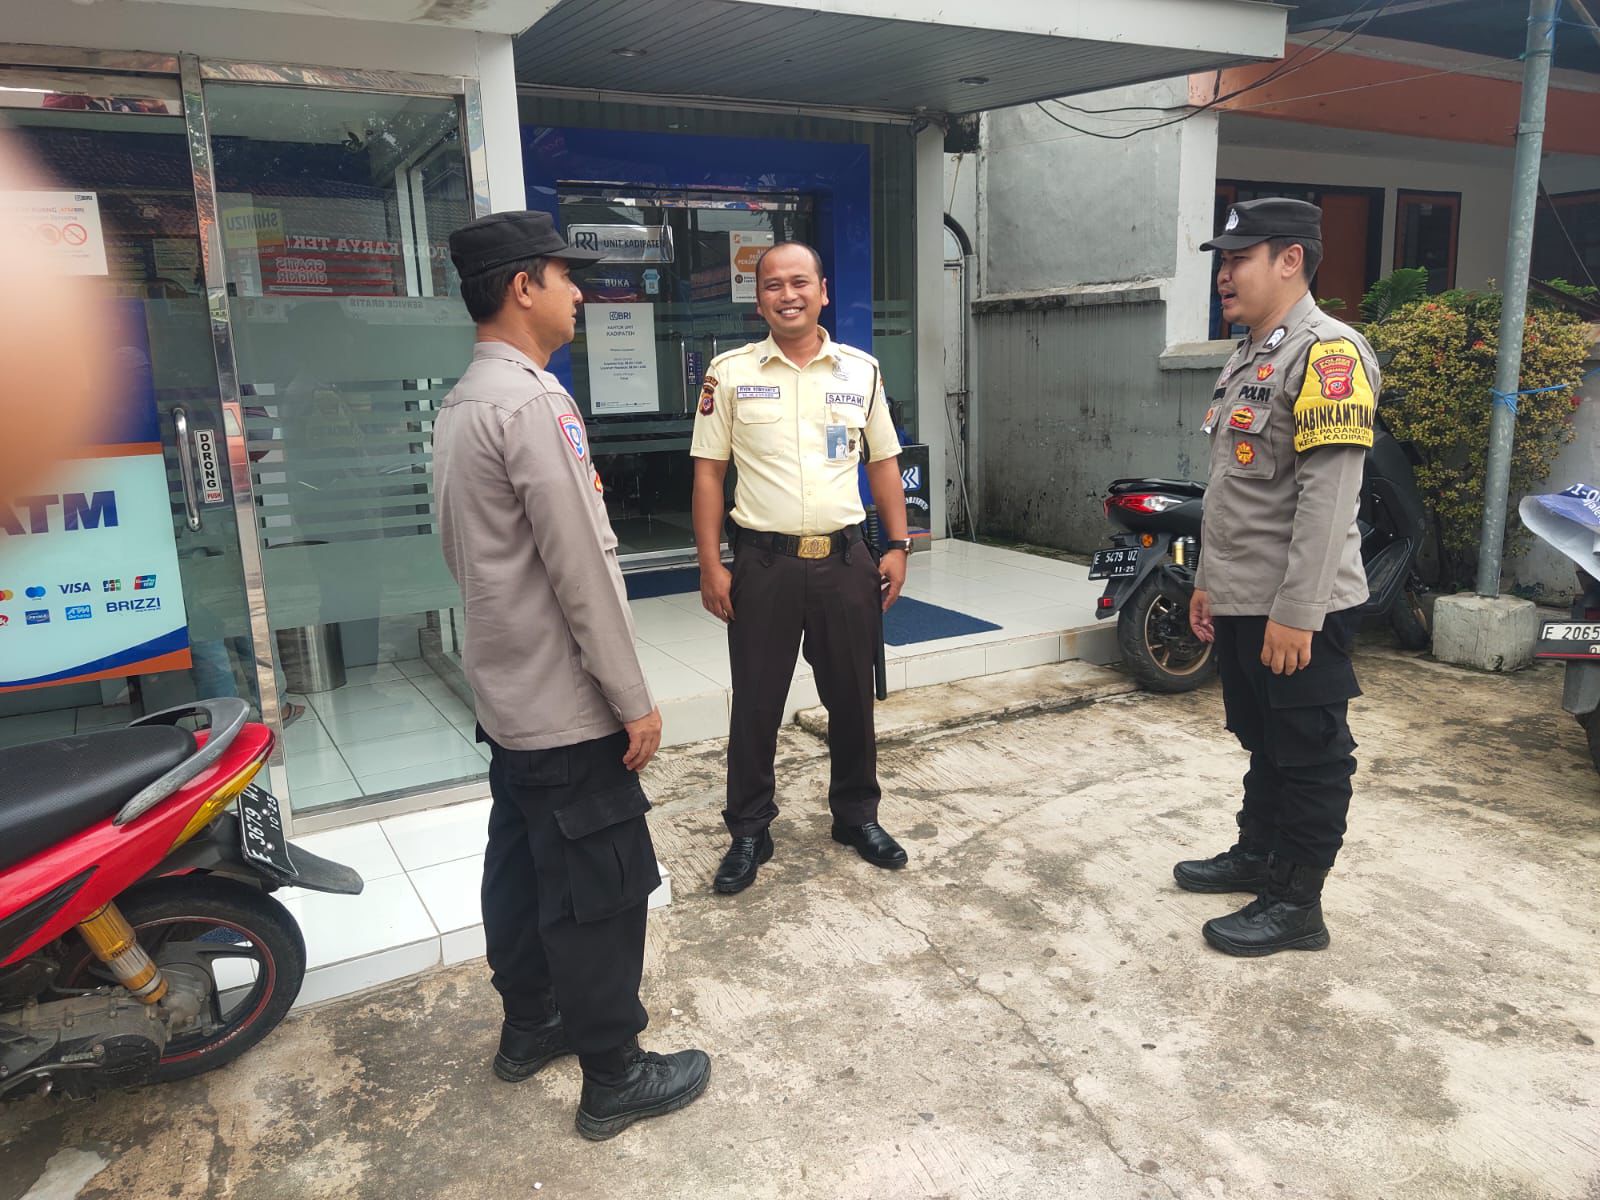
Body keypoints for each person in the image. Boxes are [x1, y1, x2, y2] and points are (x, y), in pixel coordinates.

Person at [434, 210, 710, 1139]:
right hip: (565, 705)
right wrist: (632, 699)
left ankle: (531, 1025)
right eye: (566, 275)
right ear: (524, 287)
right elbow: (583, 567)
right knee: (599, 888)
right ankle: (614, 1073)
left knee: (519, 867)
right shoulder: (531, 404)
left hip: (510, 697)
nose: (581, 292)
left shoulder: (463, 401)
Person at [1178, 197, 1379, 957]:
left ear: (1290, 259)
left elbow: (1328, 501)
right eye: (1223, 261)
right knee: (1265, 741)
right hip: (1245, 598)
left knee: (1311, 753)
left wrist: (1299, 613)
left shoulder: (1329, 355)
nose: (1224, 275)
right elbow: (1234, 489)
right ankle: (1258, 853)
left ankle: (1298, 903)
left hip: (1298, 606)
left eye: (1239, 259)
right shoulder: (1249, 355)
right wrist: (1208, 581)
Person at [690, 241, 913, 895]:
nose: (787, 295)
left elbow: (883, 463)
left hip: (845, 561)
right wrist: (710, 564)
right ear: (758, 300)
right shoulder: (729, 374)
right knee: (756, 703)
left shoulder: (860, 372)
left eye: (799, 282)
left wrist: (898, 545)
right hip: (764, 564)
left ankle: (856, 816)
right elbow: (709, 475)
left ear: (822, 292)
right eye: (772, 285)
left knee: (852, 699)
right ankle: (749, 830)